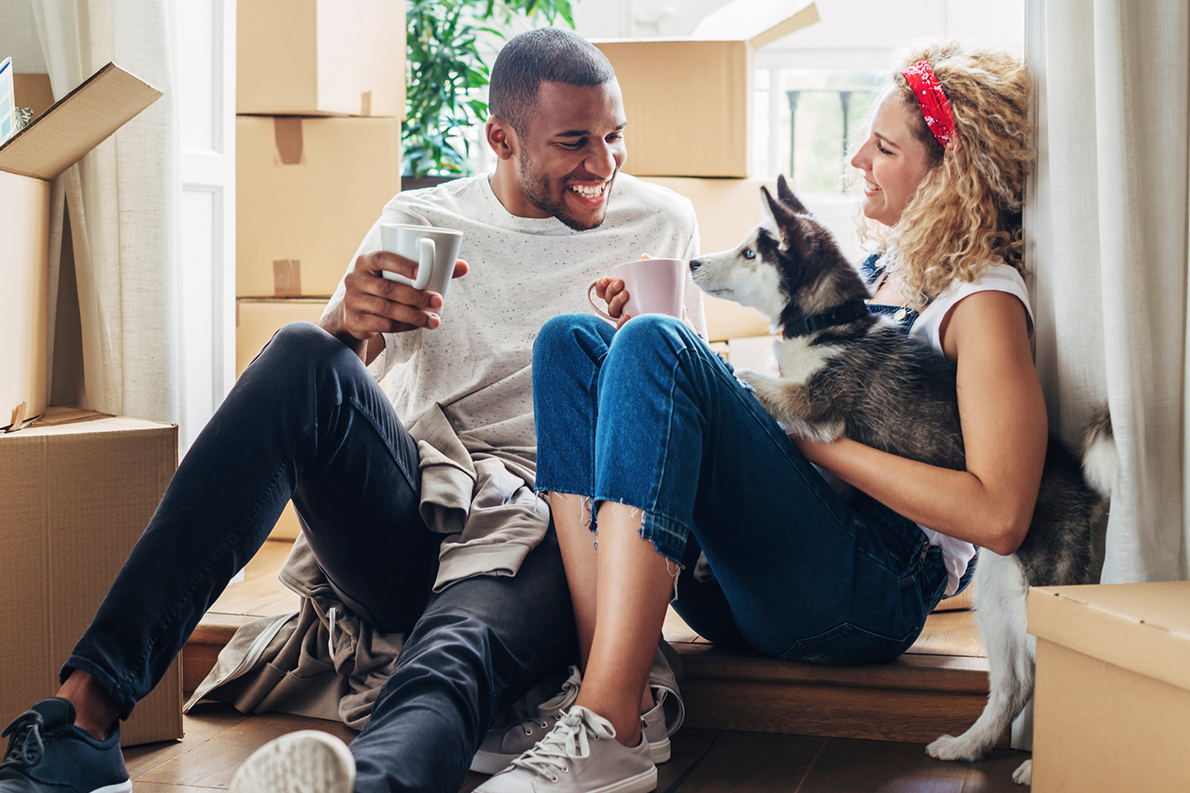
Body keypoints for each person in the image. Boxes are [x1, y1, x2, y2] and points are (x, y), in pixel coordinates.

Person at [0, 28, 702, 793]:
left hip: (551, 530)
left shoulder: (660, 224)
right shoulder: (421, 217)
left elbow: (672, 416)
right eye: (575, 142)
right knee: (303, 348)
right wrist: (349, 324)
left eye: (614, 136)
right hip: (418, 511)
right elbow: (332, 380)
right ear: (500, 136)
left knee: (451, 649)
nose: (603, 164)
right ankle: (84, 716)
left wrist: (641, 341)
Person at [479, 42, 1039, 793]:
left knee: (655, 343)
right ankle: (620, 697)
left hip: (868, 589)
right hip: (749, 581)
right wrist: (667, 363)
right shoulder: (886, 274)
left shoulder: (984, 301)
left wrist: (815, 444)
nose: (858, 160)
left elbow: (1000, 514)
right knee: (572, 342)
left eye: (885, 145)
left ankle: (605, 720)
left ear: (951, 171)